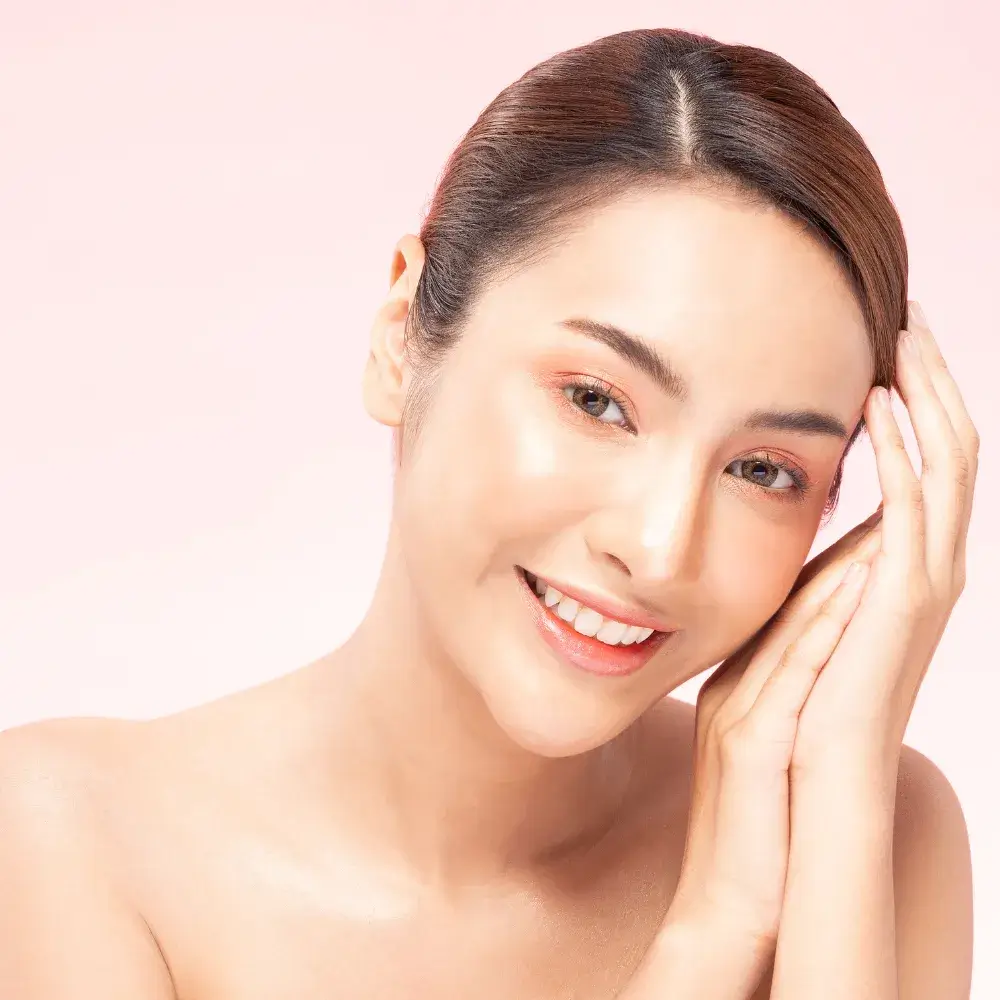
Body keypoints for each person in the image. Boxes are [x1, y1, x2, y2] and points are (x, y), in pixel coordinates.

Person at [0, 26, 977, 1000]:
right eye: (597, 400)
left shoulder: (876, 830)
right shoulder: (67, 841)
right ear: (400, 337)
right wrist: (711, 930)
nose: (655, 546)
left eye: (763, 469)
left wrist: (839, 808)